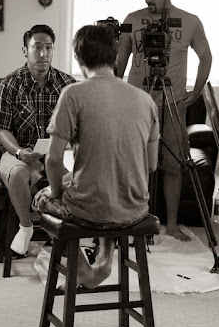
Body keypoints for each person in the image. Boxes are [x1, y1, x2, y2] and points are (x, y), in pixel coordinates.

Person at [33, 24, 160, 288]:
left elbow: (53, 160)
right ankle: (104, 260)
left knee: (41, 199)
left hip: (90, 210)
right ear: (114, 57)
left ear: (79, 59)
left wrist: (55, 191)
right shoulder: (145, 99)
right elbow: (151, 165)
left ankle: (83, 271)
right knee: (99, 187)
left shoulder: (73, 94)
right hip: (135, 209)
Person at [116, 0, 213, 242]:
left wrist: (197, 91)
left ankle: (171, 224)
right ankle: (134, 222)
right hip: (137, 104)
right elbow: (120, 60)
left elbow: (206, 56)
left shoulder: (190, 21)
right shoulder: (131, 20)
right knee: (135, 165)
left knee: (173, 165)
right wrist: (113, 93)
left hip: (173, 103)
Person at [0, 24, 76, 255]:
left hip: (55, 155)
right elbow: (2, 130)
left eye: (48, 47)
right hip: (19, 153)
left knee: (79, 179)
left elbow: (77, 127)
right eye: (37, 47)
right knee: (18, 174)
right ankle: (26, 226)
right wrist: (19, 152)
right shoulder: (9, 85)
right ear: (25, 50)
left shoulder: (67, 85)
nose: (43, 53)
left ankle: (61, 234)